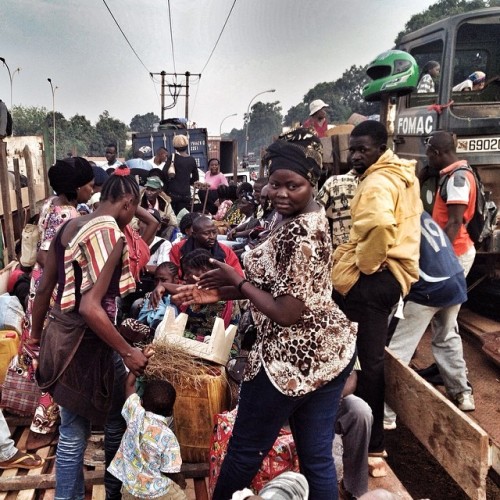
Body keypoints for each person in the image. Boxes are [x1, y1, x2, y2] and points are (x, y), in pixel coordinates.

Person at [172, 128, 357, 499]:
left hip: (288, 360)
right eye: (275, 184)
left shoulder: (301, 233)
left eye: (294, 186)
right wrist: (216, 291)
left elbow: (286, 312)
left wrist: (236, 282)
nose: (281, 194)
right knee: (316, 457)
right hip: (327, 354)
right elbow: (274, 286)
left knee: (244, 453)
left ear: (312, 183)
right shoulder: (292, 217)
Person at [32, 166, 150, 500]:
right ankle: (113, 493)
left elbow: (44, 291)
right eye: (132, 208)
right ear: (127, 203)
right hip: (88, 343)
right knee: (113, 422)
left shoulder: (70, 226)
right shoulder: (109, 234)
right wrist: (127, 350)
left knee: (71, 433)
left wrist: (36, 338)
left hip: (61, 336)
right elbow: (90, 307)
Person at [331, 120, 422, 468]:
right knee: (367, 356)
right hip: (396, 276)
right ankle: (367, 436)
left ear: (380, 148)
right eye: (352, 148)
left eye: (362, 149)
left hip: (373, 281)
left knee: (367, 363)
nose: (355, 155)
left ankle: (372, 445)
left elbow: (382, 225)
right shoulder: (401, 174)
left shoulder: (375, 182)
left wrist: (367, 264)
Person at [20, 157, 95, 450]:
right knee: (54, 355)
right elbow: (50, 256)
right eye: (89, 185)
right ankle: (44, 425)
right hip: (52, 291)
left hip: (39, 286)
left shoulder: (51, 205)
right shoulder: (68, 217)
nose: (92, 189)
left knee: (45, 354)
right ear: (76, 188)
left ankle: (45, 418)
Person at [385, 212, 474, 428]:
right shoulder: (418, 211)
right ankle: (463, 394)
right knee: (447, 336)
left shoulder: (397, 216)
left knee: (395, 350)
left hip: (429, 287)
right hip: (454, 279)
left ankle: (386, 416)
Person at [107, 350, 186, 500]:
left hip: (131, 489)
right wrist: (180, 481)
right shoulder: (168, 438)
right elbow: (171, 470)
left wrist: (141, 360)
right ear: (170, 411)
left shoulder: (134, 414)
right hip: (157, 492)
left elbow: (129, 384)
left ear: (141, 401)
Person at [426, 131, 477, 275]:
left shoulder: (456, 179)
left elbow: (454, 222)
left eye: (429, 155)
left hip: (455, 250)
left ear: (437, 153)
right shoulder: (455, 174)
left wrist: (441, 256)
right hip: (453, 248)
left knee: (445, 296)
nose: (428, 160)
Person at [169, 215, 244, 278]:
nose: (212, 237)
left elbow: (238, 277)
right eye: (206, 233)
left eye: (214, 232)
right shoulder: (178, 248)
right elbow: (173, 276)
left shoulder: (225, 251)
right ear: (194, 234)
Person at [316, 170, 359, 249]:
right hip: (364, 241)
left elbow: (316, 207)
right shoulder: (372, 182)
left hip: (340, 242)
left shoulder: (332, 181)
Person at [164, 135, 198, 214]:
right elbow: (195, 178)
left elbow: (164, 173)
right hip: (186, 195)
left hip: (173, 194)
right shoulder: (192, 160)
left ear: (175, 147)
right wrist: (186, 181)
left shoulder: (172, 157)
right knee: (183, 217)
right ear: (187, 146)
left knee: (172, 218)